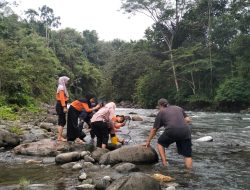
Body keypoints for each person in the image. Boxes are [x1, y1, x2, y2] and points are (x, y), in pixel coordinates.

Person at [145, 98, 193, 169]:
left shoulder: (161, 112)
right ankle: (189, 173)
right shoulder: (178, 108)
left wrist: (148, 141)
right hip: (186, 131)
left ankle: (165, 163)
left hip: (172, 130)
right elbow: (188, 120)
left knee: (160, 143)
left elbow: (154, 129)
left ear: (160, 105)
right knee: (187, 155)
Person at [55, 76, 70, 142]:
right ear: (63, 80)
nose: (67, 82)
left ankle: (59, 136)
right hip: (61, 105)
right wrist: (64, 107)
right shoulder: (61, 88)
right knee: (62, 121)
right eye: (66, 80)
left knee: (61, 121)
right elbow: (62, 98)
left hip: (61, 105)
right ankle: (59, 137)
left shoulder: (61, 87)